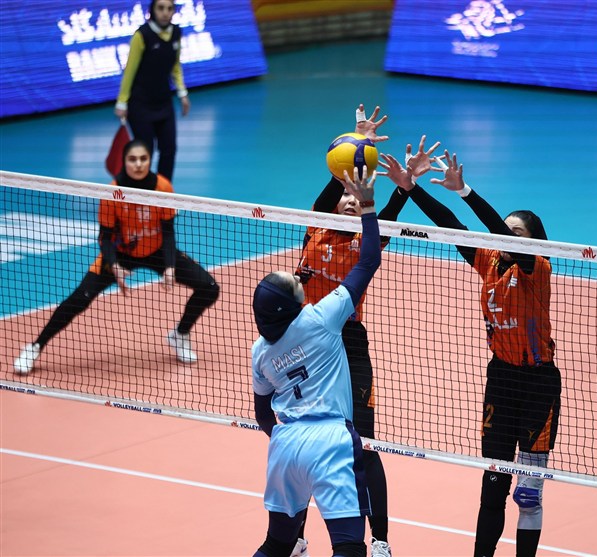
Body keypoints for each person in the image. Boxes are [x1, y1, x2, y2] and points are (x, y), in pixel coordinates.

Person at [380, 145, 560, 557]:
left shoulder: (538, 268)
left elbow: (492, 227)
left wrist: (467, 191)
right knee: (493, 485)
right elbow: (450, 225)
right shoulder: (489, 262)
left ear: (533, 242)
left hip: (539, 385)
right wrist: (411, 188)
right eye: (504, 231)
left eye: (515, 233)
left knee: (528, 495)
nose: (504, 237)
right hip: (501, 379)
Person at [288, 106, 438, 557]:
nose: (351, 201)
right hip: (306, 345)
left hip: (349, 344)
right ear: (334, 203)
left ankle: (381, 540)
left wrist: (401, 187)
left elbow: (384, 212)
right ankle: (294, 537)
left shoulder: (363, 244)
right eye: (345, 196)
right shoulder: (316, 226)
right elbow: (338, 178)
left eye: (358, 199)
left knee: (365, 444)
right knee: (303, 443)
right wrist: (359, 142)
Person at [250, 166, 380, 557]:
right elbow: (368, 261)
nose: (297, 277)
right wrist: (368, 206)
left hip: (286, 444)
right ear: (293, 303)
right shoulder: (323, 318)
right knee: (349, 547)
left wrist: (290, 439)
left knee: (277, 544)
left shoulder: (260, 350)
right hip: (330, 440)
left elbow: (262, 415)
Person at [13, 140, 219, 374]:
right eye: (133, 159)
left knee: (209, 287)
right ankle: (35, 346)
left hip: (157, 252)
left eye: (143, 159)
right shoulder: (113, 191)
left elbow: (168, 230)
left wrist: (170, 266)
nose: (138, 164)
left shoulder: (162, 187)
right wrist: (115, 266)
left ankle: (180, 334)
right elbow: (105, 237)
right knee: (79, 298)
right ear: (124, 161)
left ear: (149, 160)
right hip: (121, 254)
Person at [114, 0, 190, 182]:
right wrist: (122, 102)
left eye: (169, 8)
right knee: (144, 153)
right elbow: (129, 71)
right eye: (160, 8)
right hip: (140, 105)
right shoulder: (142, 35)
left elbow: (175, 67)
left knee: (169, 149)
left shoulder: (176, 33)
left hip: (164, 102)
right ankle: (143, 192)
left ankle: (163, 192)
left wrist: (182, 93)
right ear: (153, 10)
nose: (165, 12)